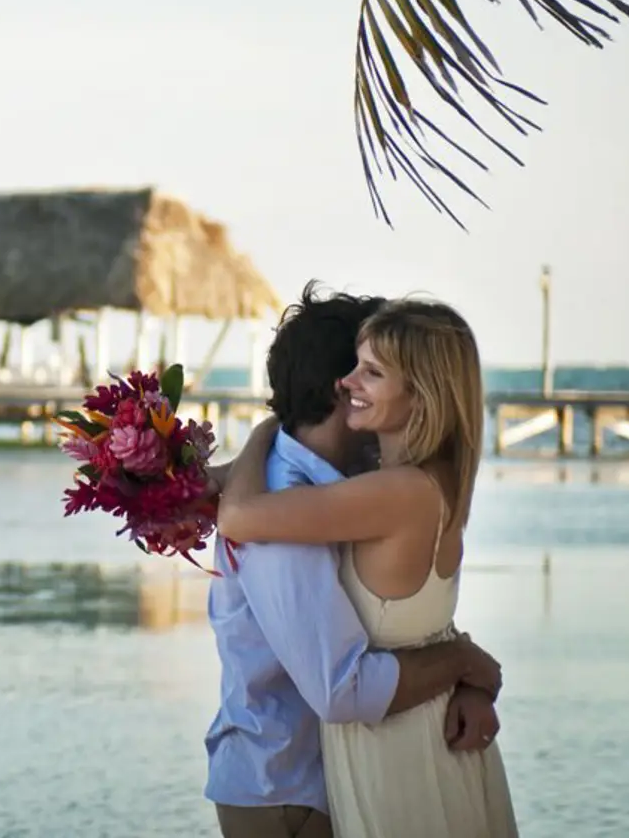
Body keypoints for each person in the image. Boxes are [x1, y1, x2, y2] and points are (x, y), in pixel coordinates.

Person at [205, 285, 504, 838]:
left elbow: (408, 627)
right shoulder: (292, 498)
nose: (354, 383)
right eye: (356, 369)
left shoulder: (372, 491)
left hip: (359, 769)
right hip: (287, 785)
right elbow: (343, 690)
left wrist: (470, 673)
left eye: (372, 371)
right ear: (338, 394)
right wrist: (464, 664)